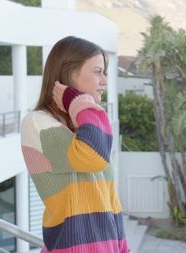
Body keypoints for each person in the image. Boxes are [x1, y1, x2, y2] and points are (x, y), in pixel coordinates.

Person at [20, 36, 131, 253]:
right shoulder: (37, 123)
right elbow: (92, 157)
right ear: (69, 72)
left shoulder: (85, 126)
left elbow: (111, 205)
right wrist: (79, 101)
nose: (105, 81)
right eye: (98, 71)